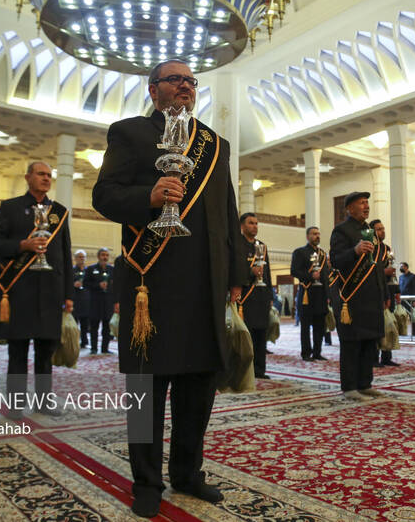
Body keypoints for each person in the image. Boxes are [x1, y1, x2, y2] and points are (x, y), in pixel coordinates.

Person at [91, 59, 245, 518]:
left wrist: (236, 274)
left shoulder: (216, 145)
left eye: (191, 82)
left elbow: (228, 211)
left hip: (207, 280)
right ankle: (146, 482)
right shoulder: (130, 132)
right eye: (175, 80)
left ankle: (188, 473)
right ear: (153, 89)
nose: (185, 86)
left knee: (199, 384)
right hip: (152, 281)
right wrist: (150, 197)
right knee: (148, 388)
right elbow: (104, 195)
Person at [0, 161, 73, 419]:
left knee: (45, 354)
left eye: (49, 175)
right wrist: (23, 245)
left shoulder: (59, 211)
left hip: (50, 291)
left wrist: (68, 293)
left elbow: (65, 254)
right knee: (18, 351)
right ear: (28, 177)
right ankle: (14, 406)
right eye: (41, 174)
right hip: (19, 291)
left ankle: (44, 402)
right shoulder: (10, 208)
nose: (46, 178)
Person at [329, 192, 385, 401]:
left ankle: (365, 383)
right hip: (351, 297)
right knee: (352, 343)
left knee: (369, 342)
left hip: (371, 296)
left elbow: (377, 266)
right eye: (361, 203)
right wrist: (354, 250)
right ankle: (350, 386)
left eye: (367, 203)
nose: (366, 206)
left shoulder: (369, 230)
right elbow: (335, 260)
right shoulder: (341, 230)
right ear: (349, 208)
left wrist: (384, 293)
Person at [238, 213, 273, 378]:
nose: (255, 226)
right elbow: (233, 270)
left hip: (262, 297)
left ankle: (260, 370)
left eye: (256, 223)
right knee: (247, 337)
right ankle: (246, 371)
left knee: (261, 336)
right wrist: (249, 272)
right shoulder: (236, 245)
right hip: (245, 298)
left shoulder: (262, 246)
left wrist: (270, 295)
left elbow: (267, 274)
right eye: (251, 223)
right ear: (242, 226)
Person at [291, 226, 330, 361]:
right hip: (306, 293)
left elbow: (325, 274)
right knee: (305, 326)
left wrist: (328, 294)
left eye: (318, 234)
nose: (317, 236)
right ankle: (306, 353)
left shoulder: (323, 254)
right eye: (314, 234)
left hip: (321, 294)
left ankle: (317, 352)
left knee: (320, 325)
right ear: (307, 236)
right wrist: (310, 276)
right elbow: (294, 271)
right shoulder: (300, 252)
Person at [370, 219, 400, 367]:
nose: (382, 231)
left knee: (388, 325)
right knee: (376, 326)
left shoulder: (387, 248)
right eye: (379, 229)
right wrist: (384, 271)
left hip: (388, 291)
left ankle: (387, 356)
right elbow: (369, 272)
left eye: (383, 228)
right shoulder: (370, 249)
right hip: (374, 291)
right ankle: (373, 358)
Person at [85, 247, 115, 354]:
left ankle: (105, 348)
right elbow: (85, 284)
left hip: (108, 303)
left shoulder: (112, 269)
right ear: (98, 256)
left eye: (107, 255)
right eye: (103, 255)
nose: (105, 257)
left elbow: (116, 286)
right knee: (94, 327)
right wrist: (98, 285)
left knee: (107, 328)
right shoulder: (90, 269)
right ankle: (93, 348)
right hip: (95, 302)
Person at [72, 250, 90, 349]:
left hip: (86, 300)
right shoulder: (71, 270)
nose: (81, 259)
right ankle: (74, 341)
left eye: (83, 257)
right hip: (75, 299)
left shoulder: (88, 270)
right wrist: (73, 284)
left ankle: (84, 341)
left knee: (85, 323)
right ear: (75, 258)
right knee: (74, 323)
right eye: (79, 257)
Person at [399, 262, 415, 335]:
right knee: (402, 316)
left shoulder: (413, 276)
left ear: (406, 267)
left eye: (402, 266)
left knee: (412, 317)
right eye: (400, 266)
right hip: (402, 300)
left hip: (410, 300)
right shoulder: (400, 277)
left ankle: (413, 333)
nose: (401, 268)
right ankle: (403, 332)